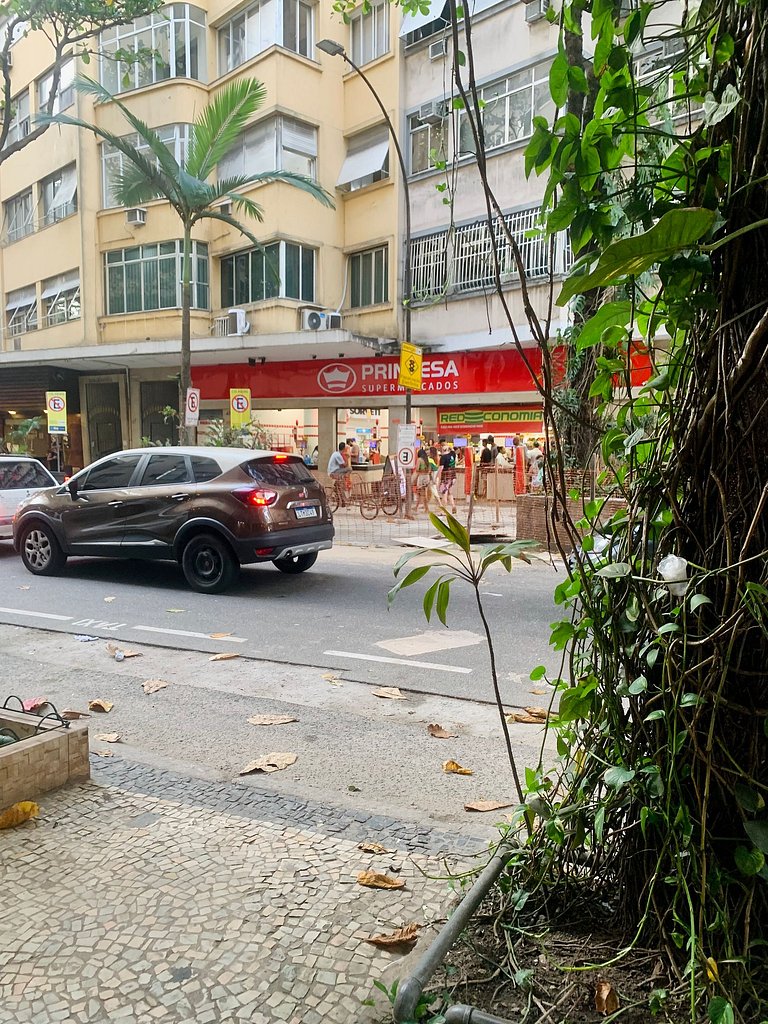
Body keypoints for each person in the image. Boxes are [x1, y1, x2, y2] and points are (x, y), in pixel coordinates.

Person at [436, 440, 458, 514]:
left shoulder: (443, 457)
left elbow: (441, 469)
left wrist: (437, 478)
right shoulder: (453, 454)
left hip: (445, 477)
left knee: (444, 494)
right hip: (453, 476)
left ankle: (443, 511)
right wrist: (449, 446)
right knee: (450, 492)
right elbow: (453, 450)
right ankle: (453, 505)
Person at [412, 447, 432, 514]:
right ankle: (416, 507)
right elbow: (429, 470)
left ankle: (427, 509)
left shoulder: (419, 460)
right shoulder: (427, 460)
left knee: (422, 494)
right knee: (421, 493)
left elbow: (417, 469)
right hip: (427, 477)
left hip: (421, 477)